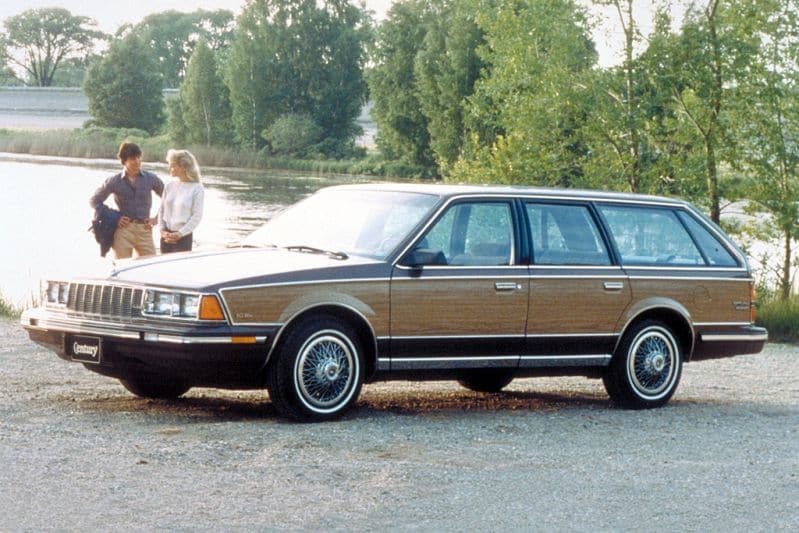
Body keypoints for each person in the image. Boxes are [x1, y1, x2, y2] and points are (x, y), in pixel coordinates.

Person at [89, 142, 164, 259]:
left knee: (150, 267)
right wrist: (115, 217)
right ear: (124, 161)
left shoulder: (151, 178)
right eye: (133, 158)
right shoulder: (114, 181)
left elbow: (169, 199)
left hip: (144, 230)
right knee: (121, 268)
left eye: (139, 157)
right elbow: (94, 201)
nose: (137, 161)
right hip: (123, 230)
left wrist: (156, 219)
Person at [158, 149, 204, 253]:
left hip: (184, 238)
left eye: (173, 165)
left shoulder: (197, 188)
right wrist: (162, 230)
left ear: (183, 167)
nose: (169, 168)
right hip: (165, 237)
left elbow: (197, 216)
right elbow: (161, 210)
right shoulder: (169, 185)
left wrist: (180, 234)